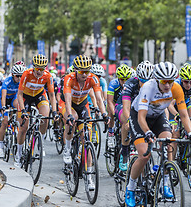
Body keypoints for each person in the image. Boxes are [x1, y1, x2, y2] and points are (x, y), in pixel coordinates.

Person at [125, 61, 191, 207]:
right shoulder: (148, 88)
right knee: (145, 154)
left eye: (170, 81)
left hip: (158, 116)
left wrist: (190, 133)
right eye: (164, 82)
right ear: (157, 80)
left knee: (168, 142)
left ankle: (165, 184)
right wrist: (148, 132)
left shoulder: (176, 88)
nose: (168, 85)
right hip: (139, 117)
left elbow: (184, 115)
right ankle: (130, 188)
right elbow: (141, 118)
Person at [59, 55, 108, 190]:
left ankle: (89, 177)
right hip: (69, 104)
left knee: (87, 140)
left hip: (83, 105)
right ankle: (68, 149)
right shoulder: (69, 79)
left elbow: (98, 99)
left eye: (87, 71)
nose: (85, 74)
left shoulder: (93, 78)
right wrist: (68, 115)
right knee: (72, 120)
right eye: (81, 72)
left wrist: (104, 114)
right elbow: (68, 100)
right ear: (76, 70)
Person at [15, 54, 58, 167]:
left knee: (45, 117)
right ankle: (18, 155)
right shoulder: (26, 74)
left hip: (39, 95)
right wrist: (23, 110)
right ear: (33, 66)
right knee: (23, 128)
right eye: (37, 68)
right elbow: (19, 94)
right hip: (25, 97)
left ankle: (40, 142)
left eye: (42, 69)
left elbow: (52, 96)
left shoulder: (48, 76)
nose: (39, 71)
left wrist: (54, 111)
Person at [115, 60, 154, 171]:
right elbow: (126, 108)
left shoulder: (154, 86)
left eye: (147, 81)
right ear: (138, 78)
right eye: (142, 81)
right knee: (127, 123)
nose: (144, 84)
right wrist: (129, 121)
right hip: (123, 105)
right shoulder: (130, 83)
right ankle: (124, 151)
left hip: (140, 108)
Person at [0, 63, 26, 158]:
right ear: (13, 75)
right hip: (4, 99)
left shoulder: (21, 82)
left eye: (21, 76)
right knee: (5, 122)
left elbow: (21, 96)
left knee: (18, 107)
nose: (19, 78)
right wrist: (4, 107)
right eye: (17, 76)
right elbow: (4, 95)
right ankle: (0, 146)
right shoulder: (7, 81)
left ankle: (16, 127)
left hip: (13, 98)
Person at [107, 64, 131, 137]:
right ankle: (110, 133)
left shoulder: (131, 84)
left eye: (126, 79)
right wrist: (114, 113)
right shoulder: (113, 83)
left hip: (125, 104)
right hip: (114, 103)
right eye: (122, 79)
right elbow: (110, 101)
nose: (124, 82)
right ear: (118, 78)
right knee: (111, 113)